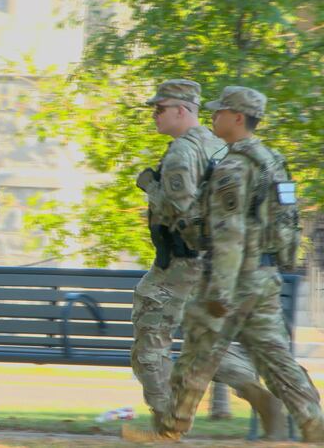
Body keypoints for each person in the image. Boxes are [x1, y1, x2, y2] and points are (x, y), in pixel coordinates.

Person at [124, 86, 324, 442]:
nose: (212, 116)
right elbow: (288, 216)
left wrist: (219, 289)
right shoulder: (273, 159)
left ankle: (168, 430)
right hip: (264, 274)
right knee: (274, 358)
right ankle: (313, 423)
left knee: (195, 357)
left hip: (233, 276)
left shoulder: (233, 167)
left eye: (219, 112)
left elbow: (228, 231)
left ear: (238, 118)